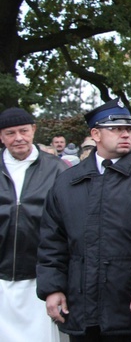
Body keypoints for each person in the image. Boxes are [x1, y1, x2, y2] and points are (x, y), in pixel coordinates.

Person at [36, 99, 131, 342]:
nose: (125, 134)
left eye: (128, 129)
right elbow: (52, 240)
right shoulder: (68, 181)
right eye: (116, 129)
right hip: (80, 304)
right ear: (95, 134)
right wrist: (52, 288)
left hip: (127, 303)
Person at [0, 107, 68, 342]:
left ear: (33, 131)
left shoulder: (56, 169)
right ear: (1, 137)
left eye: (23, 131)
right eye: (10, 133)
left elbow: (66, 220)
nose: (18, 138)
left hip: (39, 273)